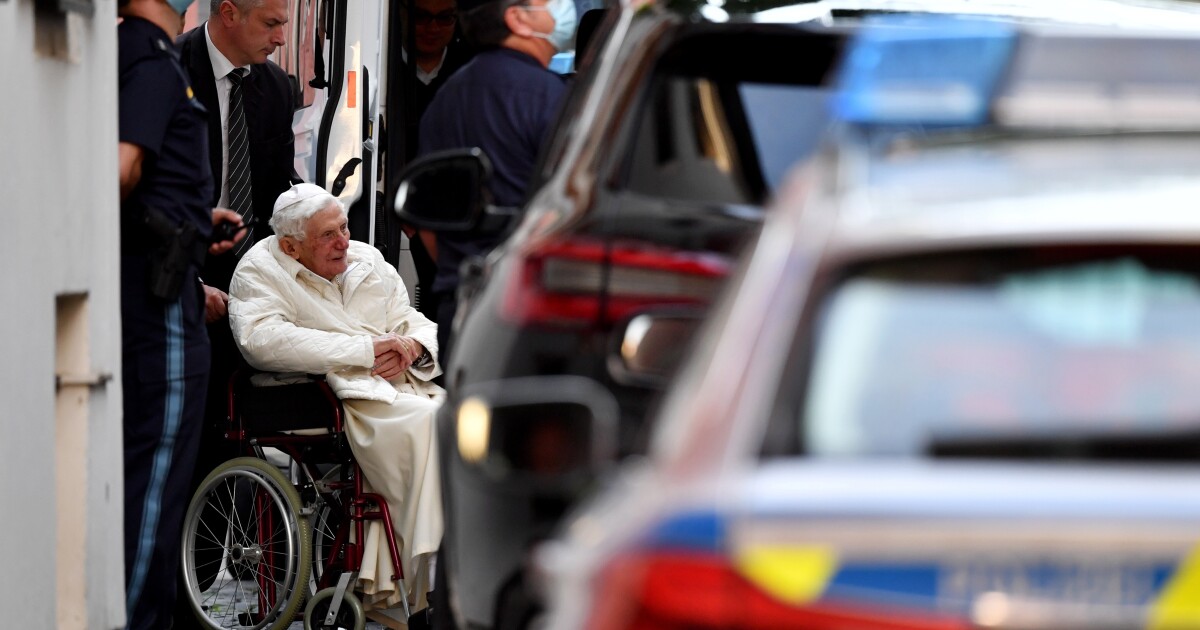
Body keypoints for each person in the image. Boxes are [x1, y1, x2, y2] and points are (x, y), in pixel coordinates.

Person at [228, 183, 445, 616]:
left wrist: (414, 348)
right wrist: (365, 351)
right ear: (290, 246)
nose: (344, 241)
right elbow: (262, 340)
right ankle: (418, 576)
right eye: (328, 235)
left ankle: (427, 570)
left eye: (344, 227)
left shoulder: (367, 258)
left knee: (457, 420)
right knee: (427, 422)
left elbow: (411, 321)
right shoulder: (258, 270)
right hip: (328, 397)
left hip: (397, 386)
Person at [118, 0, 244, 627]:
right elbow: (118, 173)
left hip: (162, 284)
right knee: (155, 485)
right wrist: (168, 239)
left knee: (158, 489)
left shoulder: (152, 56)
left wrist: (195, 224)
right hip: (160, 302)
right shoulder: (147, 58)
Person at [416, 0, 574, 360]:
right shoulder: (551, 97)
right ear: (517, 19)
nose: (564, 8)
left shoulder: (445, 98)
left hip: (459, 302)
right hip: (530, 309)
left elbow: (428, 218)